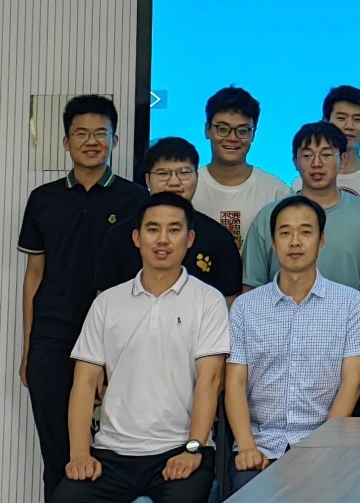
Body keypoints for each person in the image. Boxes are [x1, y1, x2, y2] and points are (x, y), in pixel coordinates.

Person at [52, 194, 229, 503]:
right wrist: (80, 453)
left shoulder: (208, 300)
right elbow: (84, 382)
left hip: (178, 448)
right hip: (111, 452)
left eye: (174, 230)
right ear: (136, 238)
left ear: (189, 239)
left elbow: (210, 380)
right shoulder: (107, 302)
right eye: (152, 229)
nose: (162, 240)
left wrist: (193, 449)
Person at [17, 94, 148, 501]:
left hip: (117, 341)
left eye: (100, 133)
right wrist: (28, 348)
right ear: (66, 141)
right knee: (58, 452)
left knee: (113, 451)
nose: (91, 141)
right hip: (53, 338)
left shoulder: (136, 199)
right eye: (81, 133)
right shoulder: (43, 199)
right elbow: (34, 275)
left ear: (115, 140)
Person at [225, 196, 360, 493]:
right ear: (273, 242)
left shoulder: (351, 305)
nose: (295, 242)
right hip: (261, 446)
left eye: (306, 232)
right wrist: (246, 446)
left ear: (321, 240)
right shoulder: (245, 307)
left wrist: (322, 447)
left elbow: (352, 383)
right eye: (285, 232)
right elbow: (234, 382)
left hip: (326, 447)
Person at [94, 137, 241, 300]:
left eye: (184, 173)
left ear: (197, 177)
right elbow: (104, 298)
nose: (174, 182)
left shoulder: (219, 237)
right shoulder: (118, 235)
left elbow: (230, 299)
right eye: (163, 173)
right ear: (147, 180)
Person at [242, 122, 360, 295]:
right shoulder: (269, 216)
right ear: (295, 162)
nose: (316, 163)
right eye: (307, 155)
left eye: (326, 155)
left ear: (342, 160)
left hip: (350, 312)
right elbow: (251, 287)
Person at [191, 86, 289, 248]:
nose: (232, 138)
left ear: (253, 134)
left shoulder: (276, 192)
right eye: (223, 129)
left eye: (242, 131)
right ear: (207, 130)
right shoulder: (188, 187)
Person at [289, 85, 360, 209]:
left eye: (357, 119)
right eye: (341, 118)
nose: (349, 126)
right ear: (325, 122)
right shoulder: (299, 185)